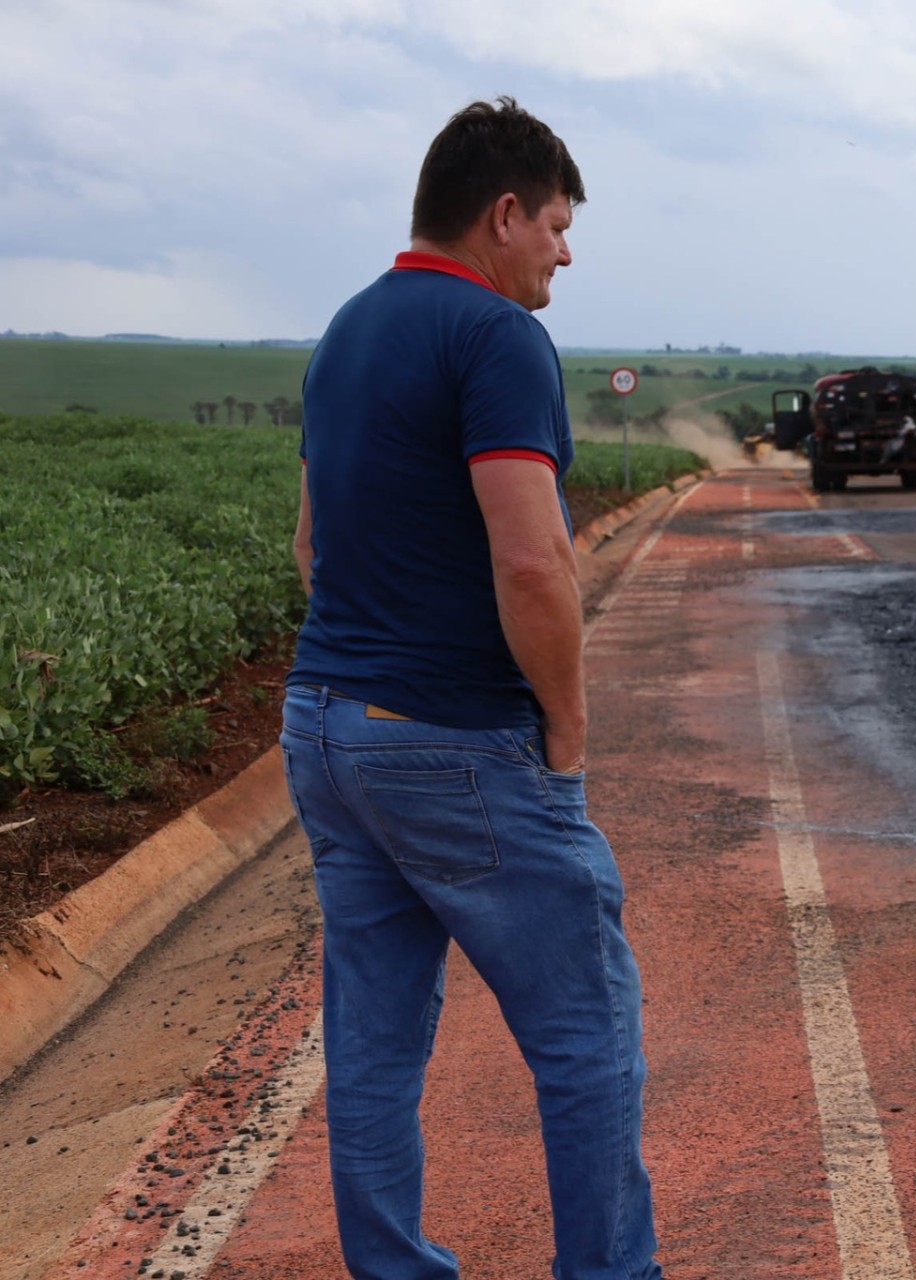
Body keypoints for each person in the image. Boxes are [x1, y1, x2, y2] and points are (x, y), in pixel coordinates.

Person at [280, 97, 661, 1280]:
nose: (563, 250)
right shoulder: (497, 339)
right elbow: (534, 557)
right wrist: (565, 728)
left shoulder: (348, 327)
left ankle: (392, 1266)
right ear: (502, 216)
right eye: (554, 224)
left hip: (326, 724)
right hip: (454, 739)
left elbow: (309, 544)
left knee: (375, 1041)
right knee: (587, 1032)